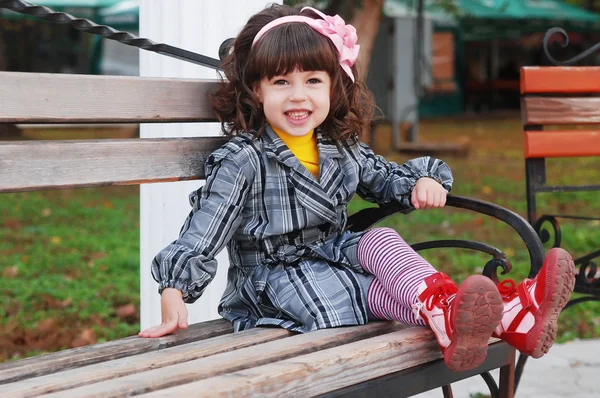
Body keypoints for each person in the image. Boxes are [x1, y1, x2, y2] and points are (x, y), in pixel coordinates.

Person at [139, 4, 576, 372]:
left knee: (380, 239)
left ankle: (497, 314)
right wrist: (174, 288)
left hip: (334, 256)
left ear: (333, 85)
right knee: (363, 289)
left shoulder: (338, 148)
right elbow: (204, 230)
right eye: (281, 82)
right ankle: (488, 312)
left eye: (312, 81)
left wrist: (422, 180)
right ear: (256, 89)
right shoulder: (243, 159)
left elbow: (388, 178)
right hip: (274, 283)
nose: (298, 96)